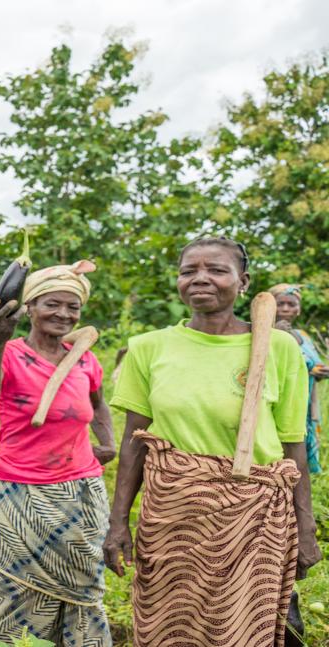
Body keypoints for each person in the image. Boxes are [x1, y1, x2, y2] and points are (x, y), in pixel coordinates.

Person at [104, 237, 320, 647]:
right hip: (173, 519)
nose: (200, 279)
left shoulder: (280, 347)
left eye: (217, 270)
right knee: (170, 624)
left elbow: (294, 444)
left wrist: (304, 525)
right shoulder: (148, 347)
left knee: (243, 628)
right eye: (189, 271)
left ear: (243, 282)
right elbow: (134, 444)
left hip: (254, 520)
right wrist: (118, 523)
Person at [0, 260, 115, 646]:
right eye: (52, 304)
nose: (64, 314)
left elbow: (98, 404)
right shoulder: (11, 354)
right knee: (10, 588)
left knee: (81, 587)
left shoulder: (84, 357)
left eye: (73, 307)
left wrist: (108, 442)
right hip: (16, 493)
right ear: (30, 307)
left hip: (79, 493)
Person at [271, 283, 328, 474]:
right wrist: (276, 332)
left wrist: (320, 372)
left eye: (291, 304)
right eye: (280, 304)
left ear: (299, 308)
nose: (286, 309)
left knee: (298, 455)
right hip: (280, 402)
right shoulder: (261, 331)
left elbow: (314, 364)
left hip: (304, 401)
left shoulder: (303, 335)